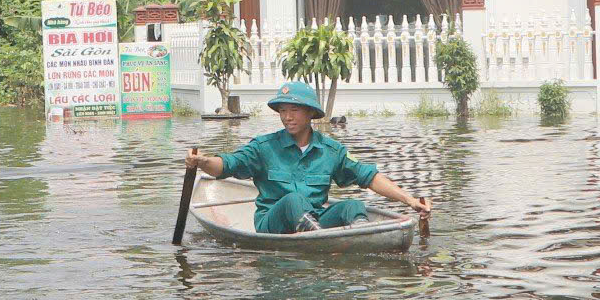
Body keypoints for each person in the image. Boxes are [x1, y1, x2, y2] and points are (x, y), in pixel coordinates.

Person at [184, 80, 430, 234]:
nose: (287, 117)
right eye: (283, 111)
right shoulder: (264, 147)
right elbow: (226, 165)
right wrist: (203, 161)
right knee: (293, 200)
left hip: (315, 218)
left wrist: (409, 201)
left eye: (294, 110)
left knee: (354, 206)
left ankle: (358, 236)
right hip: (272, 223)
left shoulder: (330, 150)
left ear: (311, 113)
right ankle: (321, 239)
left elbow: (369, 177)